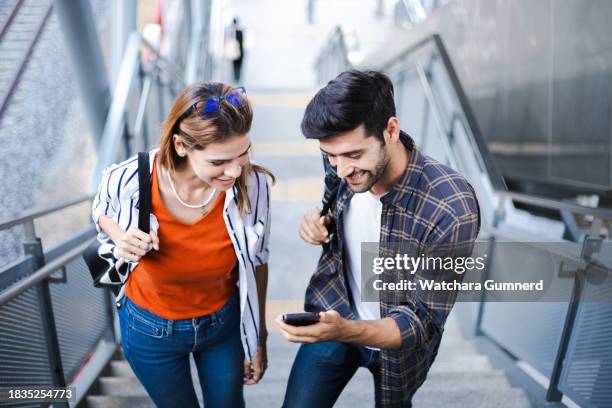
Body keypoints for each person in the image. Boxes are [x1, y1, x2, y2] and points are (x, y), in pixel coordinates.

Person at [277, 69, 480, 407]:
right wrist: (318, 222)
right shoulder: (344, 157)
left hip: (397, 350)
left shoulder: (451, 207)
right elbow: (338, 201)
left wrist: (344, 329)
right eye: (330, 156)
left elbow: (422, 320)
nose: (340, 170)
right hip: (334, 310)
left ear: (391, 130)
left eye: (353, 155)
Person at [92, 82, 273, 408]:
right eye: (219, 162)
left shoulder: (254, 184)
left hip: (223, 325)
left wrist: (258, 338)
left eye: (243, 154)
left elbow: (258, 261)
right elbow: (101, 211)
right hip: (150, 329)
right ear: (180, 146)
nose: (234, 170)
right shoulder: (130, 178)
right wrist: (122, 237)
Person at [231, 18, 245, 82]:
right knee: (236, 66)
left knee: (237, 66)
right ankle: (236, 78)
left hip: (237, 51)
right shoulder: (237, 32)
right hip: (236, 51)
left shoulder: (235, 32)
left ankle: (237, 78)